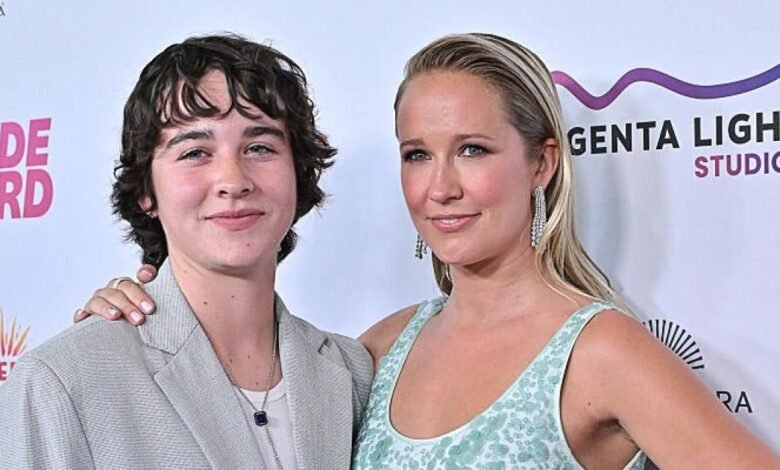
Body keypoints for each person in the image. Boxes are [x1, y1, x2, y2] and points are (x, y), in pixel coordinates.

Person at [76, 34, 780, 468]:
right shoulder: (374, 353)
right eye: (417, 154)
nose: (440, 187)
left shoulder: (601, 351)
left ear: (541, 163)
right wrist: (140, 309)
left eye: (472, 149)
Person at [0, 34, 372, 470]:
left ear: (298, 172)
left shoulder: (352, 373)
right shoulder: (61, 381)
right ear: (146, 192)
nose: (233, 181)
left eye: (259, 147)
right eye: (195, 152)